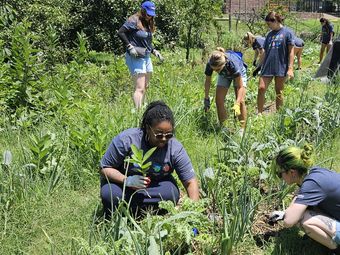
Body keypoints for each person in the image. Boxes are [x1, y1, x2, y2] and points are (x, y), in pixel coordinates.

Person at [100, 101, 200, 217]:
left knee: (170, 194)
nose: (163, 139)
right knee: (110, 194)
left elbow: (190, 182)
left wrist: (194, 214)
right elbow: (104, 168)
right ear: (148, 128)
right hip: (123, 185)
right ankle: (124, 213)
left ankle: (138, 211)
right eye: (159, 135)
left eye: (168, 135)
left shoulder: (175, 149)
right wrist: (127, 180)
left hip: (155, 187)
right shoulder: (127, 140)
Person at [270, 145, 340, 253]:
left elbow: (289, 222)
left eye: (280, 174)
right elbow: (301, 198)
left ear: (292, 172)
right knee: (304, 210)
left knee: (304, 219)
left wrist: (287, 213)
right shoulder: (314, 173)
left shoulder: (311, 185)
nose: (281, 177)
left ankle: (336, 249)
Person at [117, 1, 164, 109]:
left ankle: (142, 107)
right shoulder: (133, 20)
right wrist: (129, 46)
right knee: (140, 88)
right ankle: (137, 112)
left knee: (145, 86)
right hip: (136, 56)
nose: (150, 17)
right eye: (148, 14)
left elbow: (146, 42)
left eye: (152, 15)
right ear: (142, 11)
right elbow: (121, 32)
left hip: (146, 56)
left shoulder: (148, 23)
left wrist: (154, 51)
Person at [257, 11, 295, 114]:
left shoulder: (288, 33)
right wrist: (258, 66)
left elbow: (291, 51)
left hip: (281, 66)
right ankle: (259, 114)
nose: (268, 26)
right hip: (267, 66)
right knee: (261, 88)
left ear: (275, 21)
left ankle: (279, 114)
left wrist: (290, 68)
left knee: (279, 92)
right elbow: (264, 52)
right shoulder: (269, 35)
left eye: (269, 24)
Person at [203, 47, 247, 133]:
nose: (215, 72)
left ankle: (242, 130)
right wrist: (206, 98)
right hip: (224, 74)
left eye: (217, 70)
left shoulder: (232, 64)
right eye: (214, 70)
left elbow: (240, 87)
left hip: (239, 73)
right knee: (219, 100)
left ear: (224, 64)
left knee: (241, 101)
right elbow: (207, 81)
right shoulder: (211, 63)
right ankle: (224, 128)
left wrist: (237, 103)